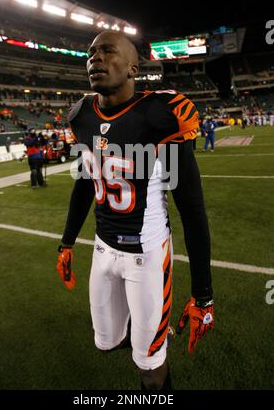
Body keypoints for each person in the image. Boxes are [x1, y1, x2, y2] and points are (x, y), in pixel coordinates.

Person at [57, 31, 214, 390]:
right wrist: (66, 243)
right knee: (106, 343)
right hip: (102, 250)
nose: (95, 58)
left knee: (149, 367)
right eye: (91, 53)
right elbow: (83, 184)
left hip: (146, 255)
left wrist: (203, 295)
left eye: (107, 51)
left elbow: (193, 211)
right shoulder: (81, 114)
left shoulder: (160, 114)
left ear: (132, 67)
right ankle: (148, 328)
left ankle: (153, 339)